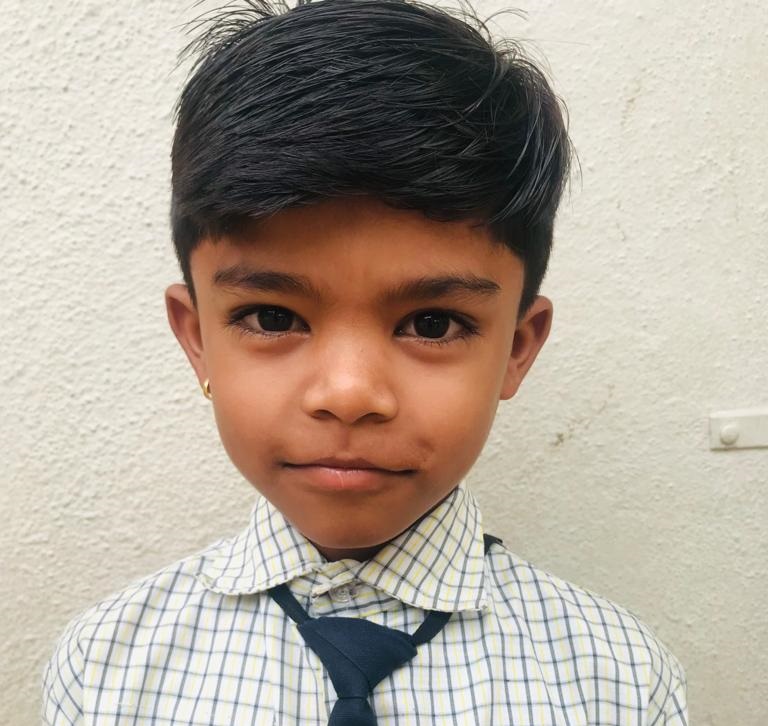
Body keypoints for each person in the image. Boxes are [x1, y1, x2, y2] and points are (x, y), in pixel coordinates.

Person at [42, 0, 688, 723]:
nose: (348, 394)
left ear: (517, 347)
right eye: (272, 317)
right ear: (197, 339)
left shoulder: (618, 679)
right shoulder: (105, 665)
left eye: (432, 323)